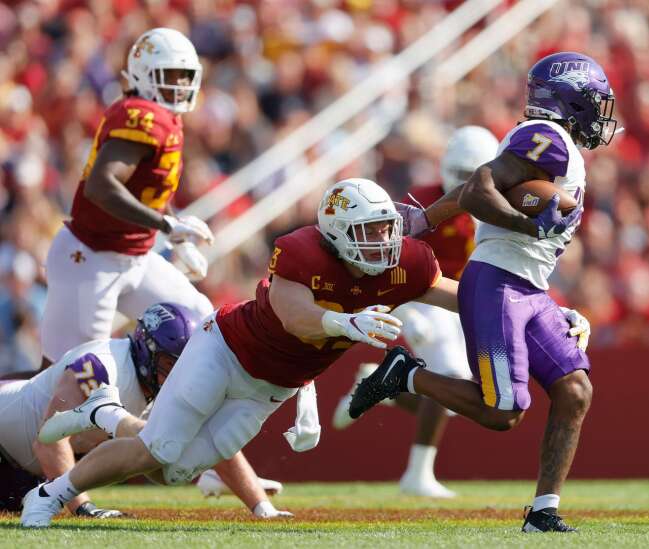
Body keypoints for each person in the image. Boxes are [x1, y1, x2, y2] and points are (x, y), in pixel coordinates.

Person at [21, 178, 459, 528]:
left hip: (272, 386)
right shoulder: (302, 252)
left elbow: (456, 295)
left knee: (172, 472)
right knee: (159, 448)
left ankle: (103, 414)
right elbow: (294, 316)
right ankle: (49, 495)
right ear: (337, 233)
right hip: (225, 350)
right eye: (369, 230)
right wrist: (346, 322)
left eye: (387, 227)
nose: (382, 240)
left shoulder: (409, 263)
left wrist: (515, 299)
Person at [349, 52, 616, 533]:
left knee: (575, 390)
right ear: (571, 99)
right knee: (502, 412)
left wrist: (427, 217)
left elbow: (482, 182)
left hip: (528, 287)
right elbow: (479, 189)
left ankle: (543, 513)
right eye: (593, 102)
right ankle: (405, 375)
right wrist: (525, 224)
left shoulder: (554, 146)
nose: (600, 113)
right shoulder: (548, 138)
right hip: (498, 283)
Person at [332, 126, 499, 498]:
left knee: (460, 399)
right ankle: (417, 474)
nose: (465, 184)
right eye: (459, 174)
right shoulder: (422, 203)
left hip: (465, 303)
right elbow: (388, 262)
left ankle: (383, 385)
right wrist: (409, 313)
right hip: (426, 297)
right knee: (450, 376)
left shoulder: (501, 204)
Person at [37, 28, 214, 373]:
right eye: (170, 76)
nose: (179, 85)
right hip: (90, 258)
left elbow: (144, 191)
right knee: (62, 380)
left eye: (185, 76)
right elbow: (101, 187)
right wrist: (164, 224)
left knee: (202, 324)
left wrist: (173, 230)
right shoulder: (142, 117)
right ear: (143, 75)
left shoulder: (164, 119)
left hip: (133, 255)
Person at [0, 302, 283, 518]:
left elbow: (218, 442)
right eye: (171, 364)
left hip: (26, 469)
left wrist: (261, 507)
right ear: (147, 350)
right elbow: (49, 441)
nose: (179, 375)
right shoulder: (100, 366)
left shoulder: (162, 382)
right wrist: (83, 507)